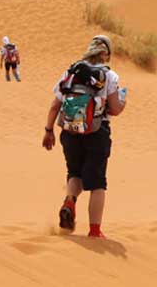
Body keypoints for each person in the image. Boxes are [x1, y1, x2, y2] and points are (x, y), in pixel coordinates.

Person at [42, 35, 125, 239]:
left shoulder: (71, 72)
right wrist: (123, 100)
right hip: (97, 132)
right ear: (106, 54)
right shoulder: (109, 76)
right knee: (97, 183)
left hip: (70, 131)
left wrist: (48, 130)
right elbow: (115, 109)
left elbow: (55, 105)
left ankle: (70, 201)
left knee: (74, 173)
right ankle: (95, 231)